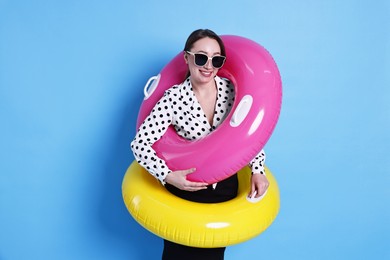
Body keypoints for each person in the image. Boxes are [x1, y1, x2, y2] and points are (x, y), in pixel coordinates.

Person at [131, 29, 269, 260]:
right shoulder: (173, 98)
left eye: (216, 59)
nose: (208, 65)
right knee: (177, 255)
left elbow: (246, 138)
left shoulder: (232, 91)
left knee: (213, 256)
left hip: (224, 188)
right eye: (202, 57)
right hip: (187, 189)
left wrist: (258, 170)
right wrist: (167, 175)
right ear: (187, 58)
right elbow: (140, 144)